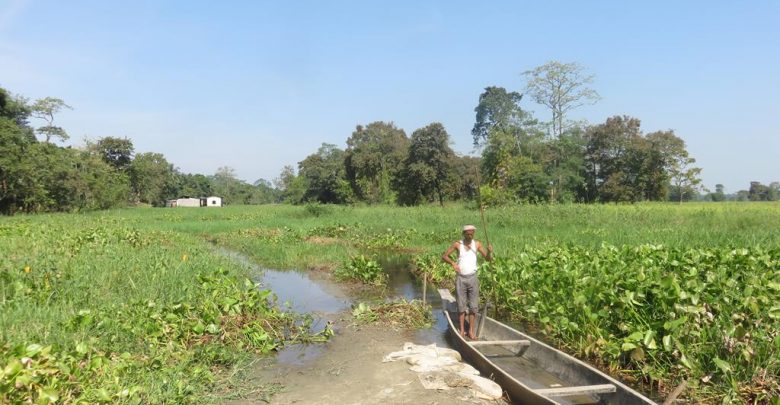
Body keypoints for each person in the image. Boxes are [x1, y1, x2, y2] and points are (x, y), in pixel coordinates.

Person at [441, 224, 492, 340]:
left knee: (474, 306)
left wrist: (489, 252)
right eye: (467, 234)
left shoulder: (477, 244)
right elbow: (444, 256)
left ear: (473, 234)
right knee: (461, 305)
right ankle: (462, 330)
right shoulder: (458, 244)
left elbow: (488, 259)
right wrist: (453, 263)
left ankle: (471, 331)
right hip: (461, 279)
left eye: (471, 234)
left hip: (473, 278)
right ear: (464, 234)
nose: (469, 236)